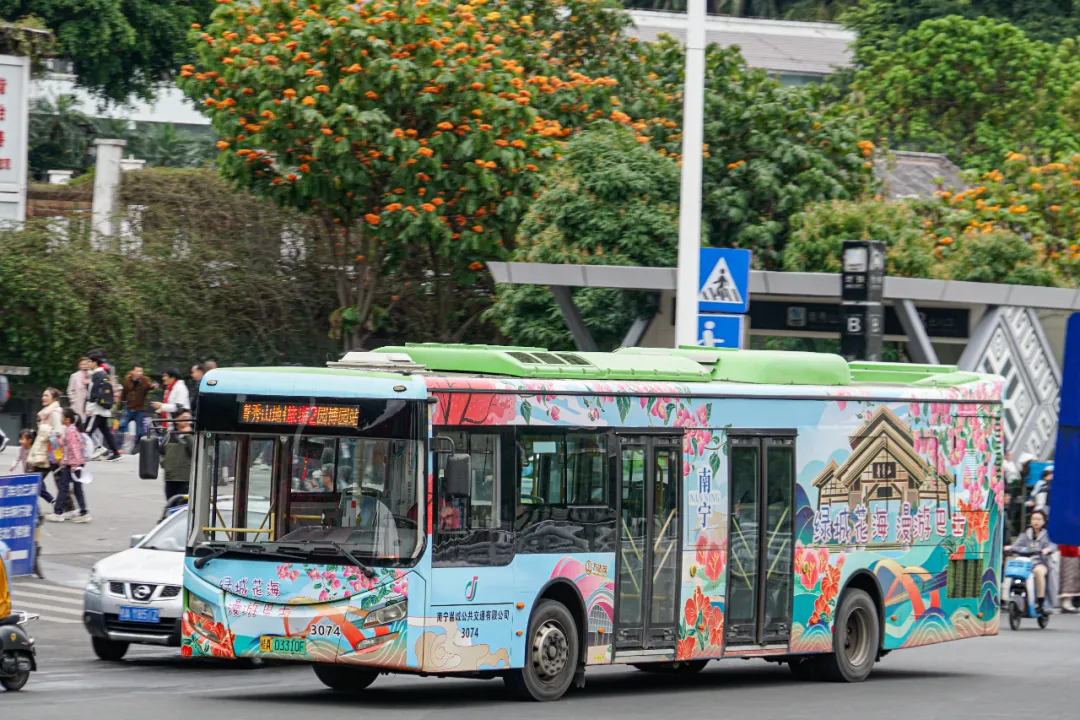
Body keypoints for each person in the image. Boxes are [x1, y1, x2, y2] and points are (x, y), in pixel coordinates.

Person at [1005, 509, 1057, 612]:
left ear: (1044, 521)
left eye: (1039, 519)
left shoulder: (1048, 534)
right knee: (1013, 571)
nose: (1036, 521)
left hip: (1041, 562)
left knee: (1038, 572)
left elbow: (1053, 545)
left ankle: (1041, 602)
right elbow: (1016, 545)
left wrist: (1048, 549)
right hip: (1025, 563)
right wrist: (1010, 548)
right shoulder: (1025, 534)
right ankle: (1011, 596)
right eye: (1034, 519)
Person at [46, 409, 91, 523]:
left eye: (62, 416)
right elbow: (65, 445)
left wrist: (74, 464)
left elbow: (74, 448)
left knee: (64, 487)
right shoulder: (70, 430)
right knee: (76, 488)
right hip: (72, 463)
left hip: (72, 464)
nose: (60, 418)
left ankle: (58, 513)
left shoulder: (71, 431)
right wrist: (56, 439)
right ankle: (83, 512)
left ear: (67, 419)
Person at [27, 388, 65, 506]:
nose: (43, 398)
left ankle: (68, 508)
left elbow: (58, 432)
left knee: (59, 482)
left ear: (54, 398)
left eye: (47, 396)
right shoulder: (45, 412)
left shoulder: (55, 412)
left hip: (52, 453)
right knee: (34, 479)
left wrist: (44, 430)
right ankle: (61, 505)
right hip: (45, 452)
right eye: (43, 395)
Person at [85, 354, 121, 461]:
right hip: (102, 409)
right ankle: (115, 452)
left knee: (87, 431)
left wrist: (89, 409)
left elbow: (93, 394)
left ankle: (80, 453)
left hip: (96, 409)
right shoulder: (101, 374)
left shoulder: (97, 375)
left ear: (94, 363)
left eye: (89, 361)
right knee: (106, 432)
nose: (87, 364)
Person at [9, 429, 56, 505]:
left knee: (39, 489)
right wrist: (13, 466)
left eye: (22, 439)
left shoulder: (34, 449)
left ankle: (52, 501)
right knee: (35, 490)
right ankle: (42, 505)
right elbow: (17, 458)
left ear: (29, 440)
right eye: (20, 439)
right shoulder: (21, 449)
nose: (20, 441)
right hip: (28, 473)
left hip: (36, 471)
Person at [120, 365, 155, 452]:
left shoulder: (145, 380)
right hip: (129, 408)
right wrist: (120, 405)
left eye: (141, 371)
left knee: (139, 431)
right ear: (133, 372)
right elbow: (124, 393)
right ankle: (119, 445)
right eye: (138, 371)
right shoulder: (127, 380)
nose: (140, 373)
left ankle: (138, 447)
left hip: (139, 409)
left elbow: (150, 386)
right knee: (121, 425)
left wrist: (153, 386)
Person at [161, 410, 194, 501]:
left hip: (186, 479)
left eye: (189, 418)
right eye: (184, 418)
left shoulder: (193, 435)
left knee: (183, 504)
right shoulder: (169, 435)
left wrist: (187, 435)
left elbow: (195, 452)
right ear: (176, 420)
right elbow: (160, 452)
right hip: (170, 478)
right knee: (171, 503)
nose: (187, 421)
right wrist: (165, 463)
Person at [66, 357, 92, 421]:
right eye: (82, 364)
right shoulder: (74, 376)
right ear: (79, 365)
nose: (83, 366)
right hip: (78, 403)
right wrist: (73, 400)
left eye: (85, 364)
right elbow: (70, 390)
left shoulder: (92, 375)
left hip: (89, 403)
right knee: (78, 420)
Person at [1059, 543, 1080, 613]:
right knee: (1069, 577)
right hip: (1070, 551)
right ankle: (1066, 602)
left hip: (1069, 551)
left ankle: (1067, 602)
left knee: (1071, 577)